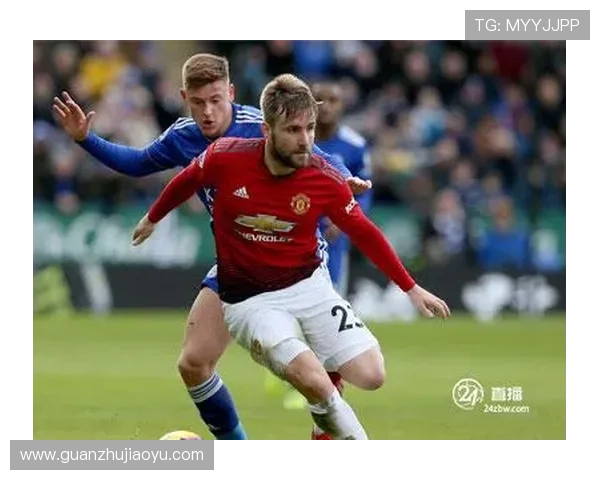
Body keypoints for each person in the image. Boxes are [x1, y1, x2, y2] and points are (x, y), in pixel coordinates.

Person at [52, 53, 370, 440]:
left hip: (292, 260)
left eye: (216, 100)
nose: (207, 112)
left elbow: (321, 155)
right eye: (198, 102)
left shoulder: (260, 125)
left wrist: (344, 179)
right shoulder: (183, 136)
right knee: (193, 363)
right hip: (237, 265)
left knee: (319, 370)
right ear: (184, 98)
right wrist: (86, 139)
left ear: (231, 93)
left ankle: (333, 426)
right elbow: (137, 163)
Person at [131, 74, 450, 440]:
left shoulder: (324, 177)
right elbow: (186, 180)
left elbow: (364, 232)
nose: (305, 140)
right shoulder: (226, 156)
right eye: (293, 130)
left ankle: (323, 422)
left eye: (310, 129)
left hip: (309, 285)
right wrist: (152, 217)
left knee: (371, 374)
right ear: (267, 130)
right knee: (314, 381)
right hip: (249, 301)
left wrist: (411, 288)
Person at [269, 80, 374, 421]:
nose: (327, 105)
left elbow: (365, 191)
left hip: (333, 240)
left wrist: (346, 221)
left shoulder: (354, 145)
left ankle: (325, 386)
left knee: (327, 312)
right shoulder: (290, 138)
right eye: (321, 99)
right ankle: (294, 372)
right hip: (292, 234)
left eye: (334, 99)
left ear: (343, 105)